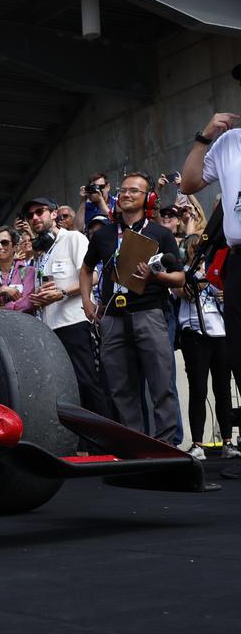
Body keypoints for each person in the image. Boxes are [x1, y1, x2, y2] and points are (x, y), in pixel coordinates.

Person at [79, 173, 184, 443]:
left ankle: (167, 444)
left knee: (161, 383)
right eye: (123, 190)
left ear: (148, 198)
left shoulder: (159, 233)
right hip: (112, 317)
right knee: (121, 387)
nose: (126, 195)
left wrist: (156, 277)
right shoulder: (103, 235)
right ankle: (135, 444)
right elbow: (86, 268)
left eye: (134, 191)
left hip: (150, 312)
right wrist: (87, 301)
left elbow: (180, 278)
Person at [181, 111, 241, 463]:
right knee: (238, 353)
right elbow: (188, 184)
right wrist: (205, 136)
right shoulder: (230, 142)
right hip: (238, 258)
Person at [23, 196, 110, 421]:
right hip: (49, 329)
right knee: (66, 390)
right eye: (30, 215)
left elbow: (94, 275)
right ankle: (81, 446)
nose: (34, 217)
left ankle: (104, 447)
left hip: (74, 323)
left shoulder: (73, 238)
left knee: (88, 382)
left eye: (39, 211)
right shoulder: (40, 252)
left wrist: (61, 293)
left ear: (54, 214)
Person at [174, 235, 235, 459]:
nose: (196, 252)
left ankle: (228, 441)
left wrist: (224, 292)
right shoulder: (182, 272)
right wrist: (203, 276)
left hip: (220, 333)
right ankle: (198, 443)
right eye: (193, 248)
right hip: (195, 334)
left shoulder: (217, 270)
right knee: (198, 389)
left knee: (223, 390)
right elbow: (184, 292)